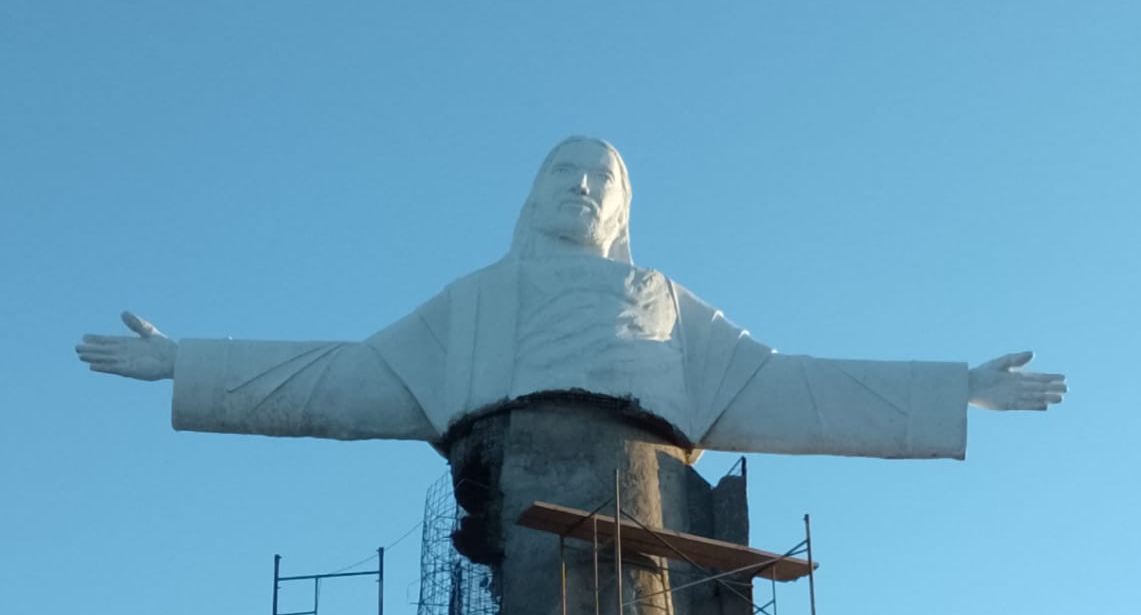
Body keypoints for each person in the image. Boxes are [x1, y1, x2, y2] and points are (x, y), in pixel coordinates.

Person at [76, 137, 1065, 463]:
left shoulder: (661, 303)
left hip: (641, 520)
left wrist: (952, 390)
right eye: (563, 173)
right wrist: (189, 363)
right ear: (531, 196)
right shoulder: (472, 304)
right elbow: (341, 378)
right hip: (513, 504)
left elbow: (793, 389)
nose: (580, 188)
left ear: (621, 211)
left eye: (600, 179)